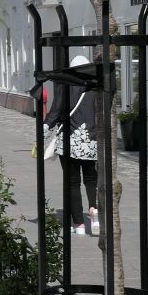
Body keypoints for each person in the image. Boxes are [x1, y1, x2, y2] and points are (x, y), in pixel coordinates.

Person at [46, 53, 100, 236]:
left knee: (72, 182)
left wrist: (45, 128)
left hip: (69, 140)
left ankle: (79, 224)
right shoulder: (96, 86)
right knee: (91, 179)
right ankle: (94, 208)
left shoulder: (66, 85)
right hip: (90, 140)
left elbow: (56, 110)